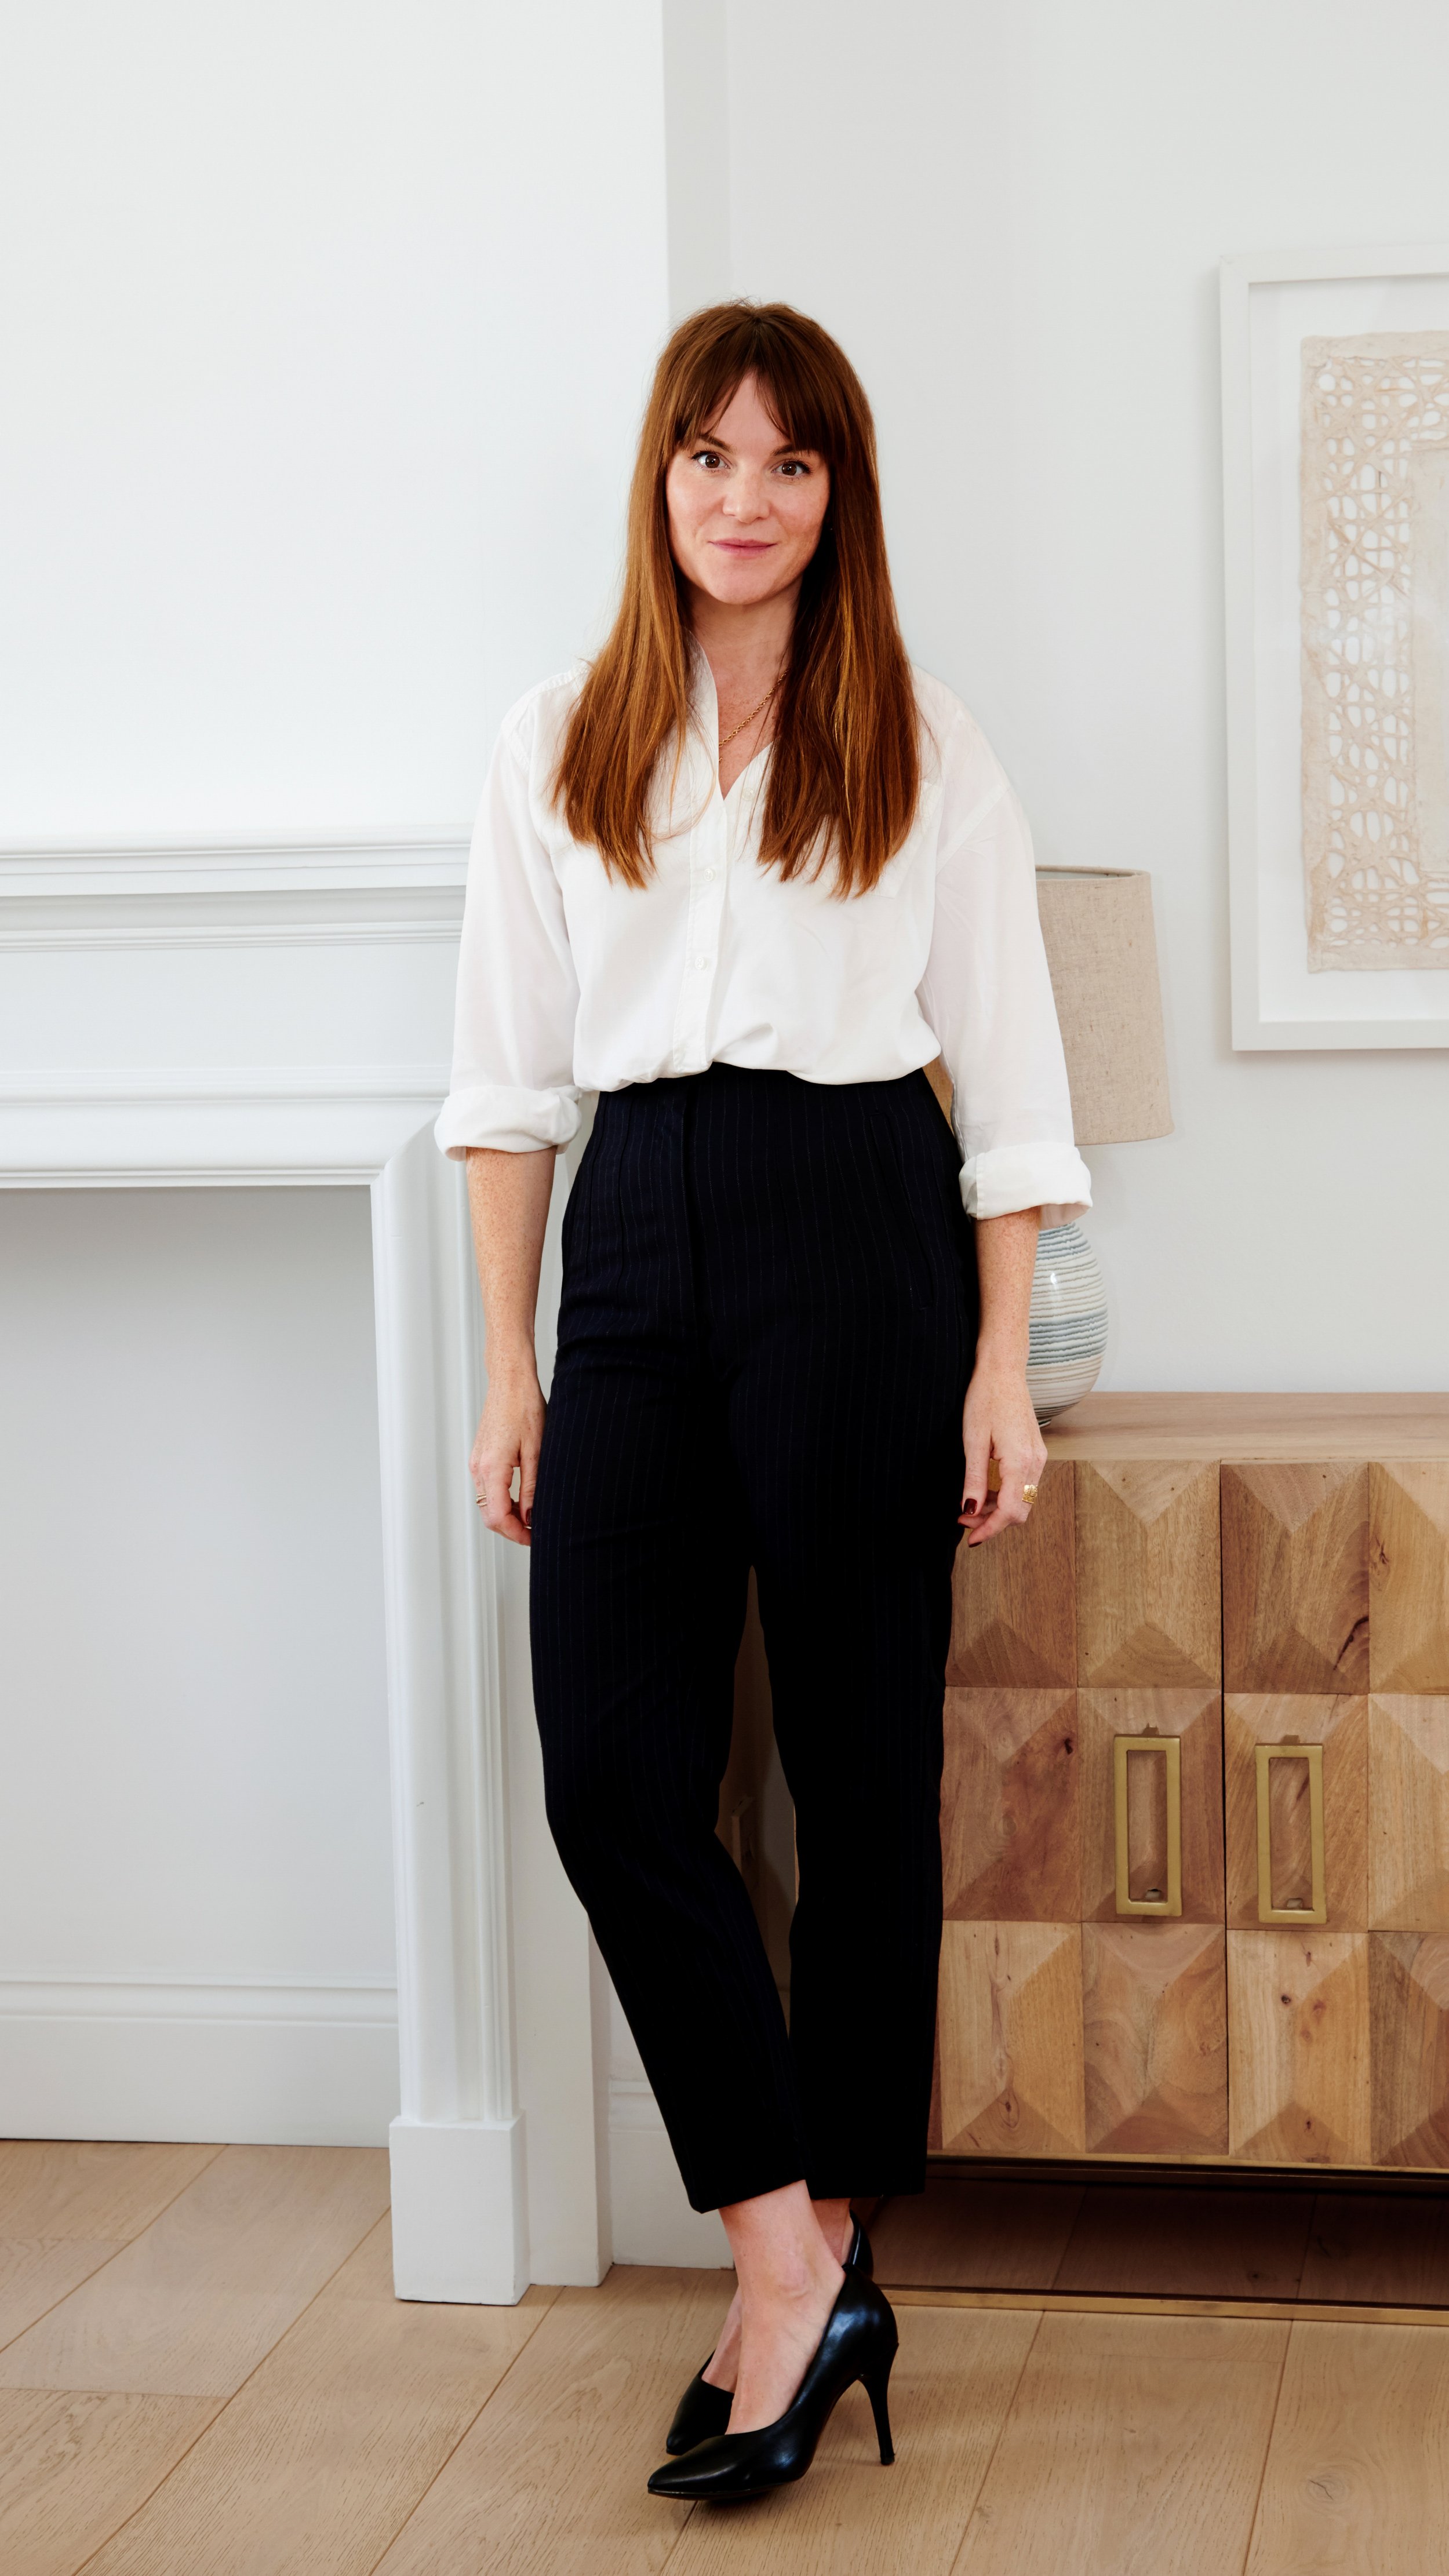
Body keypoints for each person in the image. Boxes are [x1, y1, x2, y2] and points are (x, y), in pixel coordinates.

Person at [436, 301, 1090, 2504]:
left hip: (857, 1233)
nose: (743, 497)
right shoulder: (556, 737)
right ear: (658, 479)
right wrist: (507, 1363)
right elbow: (506, 1096)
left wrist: (1003, 1365)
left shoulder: (918, 735)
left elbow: (1007, 1083)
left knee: (851, 1760)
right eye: (710, 456)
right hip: (632, 1244)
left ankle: (811, 2271)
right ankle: (781, 2235)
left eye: (788, 464)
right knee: (612, 1770)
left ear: (838, 498)